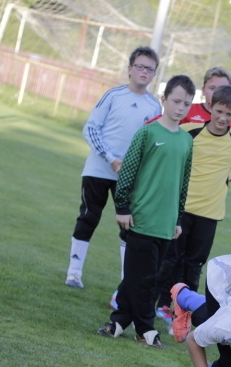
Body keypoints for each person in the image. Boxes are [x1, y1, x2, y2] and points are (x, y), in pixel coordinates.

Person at [96, 75, 195, 349]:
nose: (180, 108)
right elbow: (126, 172)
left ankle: (117, 323)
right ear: (163, 99)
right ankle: (146, 329)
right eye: (176, 101)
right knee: (146, 278)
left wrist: (177, 219)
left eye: (186, 104)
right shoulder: (147, 132)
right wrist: (123, 208)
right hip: (140, 219)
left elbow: (183, 183)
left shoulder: (187, 141)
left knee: (137, 276)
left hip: (166, 224)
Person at [66, 47, 162, 289]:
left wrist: (133, 168)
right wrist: (111, 159)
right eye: (139, 66)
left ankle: (125, 284)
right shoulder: (113, 96)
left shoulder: (154, 107)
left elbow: (151, 144)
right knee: (88, 218)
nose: (144, 72)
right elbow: (90, 129)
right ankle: (74, 273)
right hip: (98, 170)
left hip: (129, 177)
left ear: (154, 75)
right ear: (129, 69)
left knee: (129, 227)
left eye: (149, 69)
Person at [154, 85, 231, 315]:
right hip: (181, 209)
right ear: (210, 108)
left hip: (210, 214)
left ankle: (185, 311)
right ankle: (161, 305)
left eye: (229, 114)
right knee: (170, 259)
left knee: (194, 265)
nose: (223, 118)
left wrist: (226, 176)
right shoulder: (190, 131)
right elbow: (171, 149)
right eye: (219, 111)